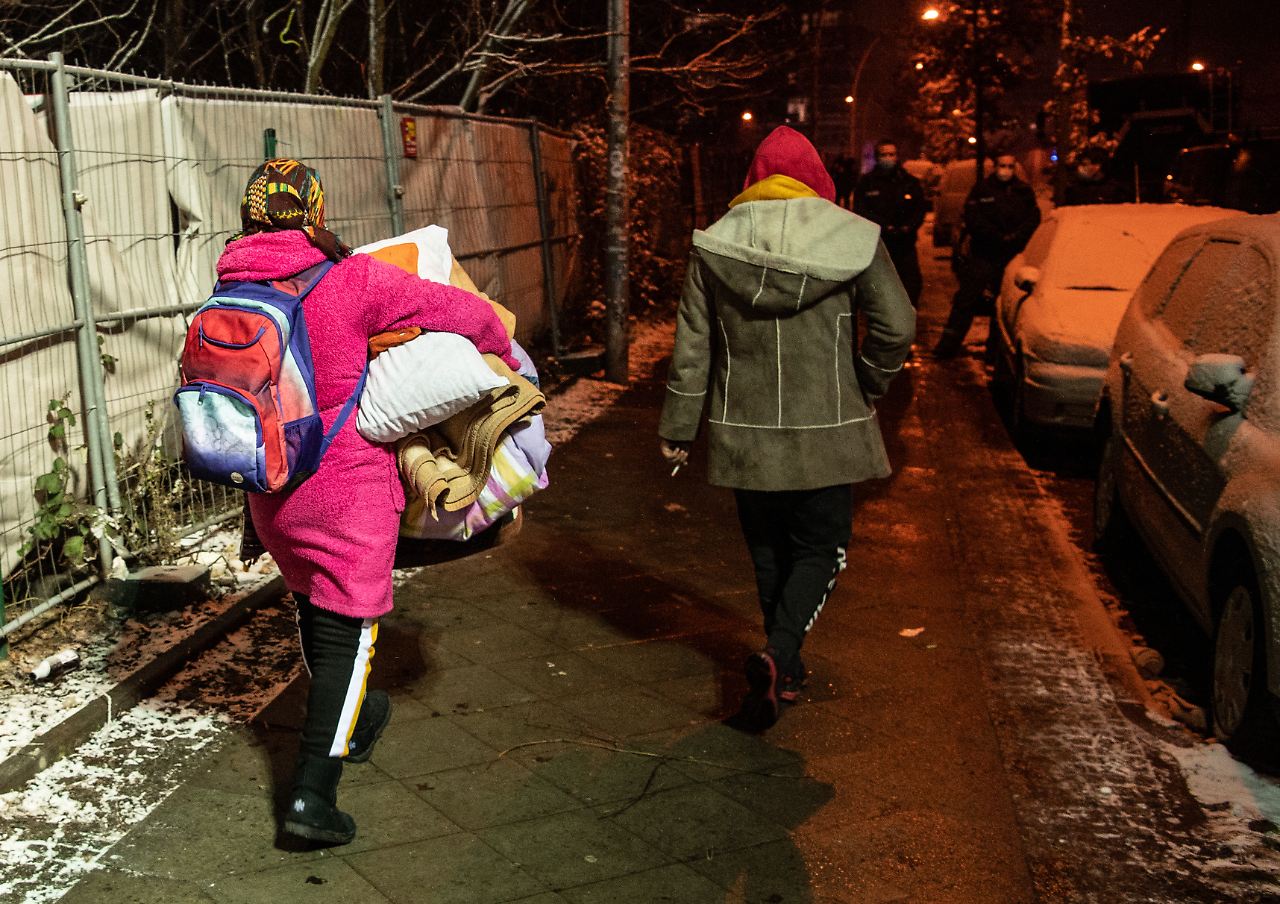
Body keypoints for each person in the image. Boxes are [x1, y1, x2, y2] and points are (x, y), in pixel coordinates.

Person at [220, 158, 518, 845]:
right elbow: (461, 312)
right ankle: (310, 801)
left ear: (251, 217)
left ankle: (355, 719)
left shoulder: (231, 284)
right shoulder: (351, 279)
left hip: (270, 493)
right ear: (315, 215)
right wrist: (504, 347)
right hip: (344, 493)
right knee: (348, 640)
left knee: (313, 610)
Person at [657, 126, 915, 732]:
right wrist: (868, 383)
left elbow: (692, 347)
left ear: (752, 179)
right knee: (821, 549)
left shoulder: (713, 247)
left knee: (768, 550)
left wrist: (679, 428)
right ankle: (780, 653)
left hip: (744, 430)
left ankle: (785, 664)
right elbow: (896, 326)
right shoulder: (855, 240)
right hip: (828, 426)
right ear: (819, 178)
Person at [933, 152, 1040, 358]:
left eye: (1010, 166)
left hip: (1011, 255)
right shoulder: (982, 190)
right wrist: (996, 237)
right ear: (995, 167)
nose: (1006, 170)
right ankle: (947, 346)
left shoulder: (1023, 191)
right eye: (1002, 165)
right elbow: (973, 218)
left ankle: (996, 349)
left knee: (1004, 303)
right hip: (984, 252)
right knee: (966, 299)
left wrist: (1015, 237)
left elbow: (1032, 218)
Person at [854, 139, 927, 306]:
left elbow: (919, 209)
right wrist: (884, 227)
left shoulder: (909, 182)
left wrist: (908, 227)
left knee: (911, 285)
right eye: (884, 154)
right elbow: (862, 211)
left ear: (897, 156)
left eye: (891, 154)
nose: (888, 158)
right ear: (877, 157)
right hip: (879, 245)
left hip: (905, 244)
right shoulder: (866, 183)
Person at [1060, 147, 1127, 206]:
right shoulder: (1074, 190)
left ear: (1097, 166)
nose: (1079, 168)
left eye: (1084, 164)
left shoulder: (1115, 191)